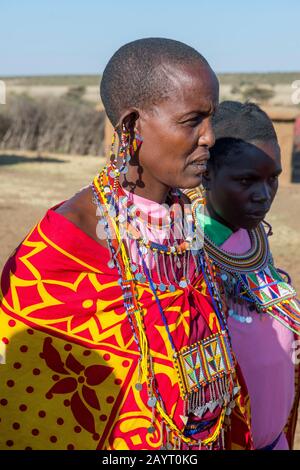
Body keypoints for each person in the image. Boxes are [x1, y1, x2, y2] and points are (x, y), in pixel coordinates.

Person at [0, 39, 252, 450]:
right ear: (132, 126)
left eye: (212, 119)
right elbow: (34, 408)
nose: (210, 137)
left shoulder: (191, 216)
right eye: (192, 121)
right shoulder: (65, 245)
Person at [188, 101, 300, 450]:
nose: (264, 195)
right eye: (246, 180)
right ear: (206, 173)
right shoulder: (184, 255)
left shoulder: (252, 244)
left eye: (273, 179)